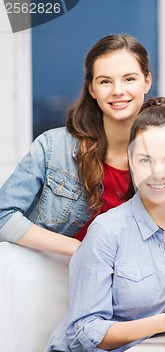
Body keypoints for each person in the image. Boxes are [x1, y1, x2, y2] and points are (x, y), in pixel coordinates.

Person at [46, 97, 165, 352]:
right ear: (130, 160)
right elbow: (85, 331)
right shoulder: (107, 231)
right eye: (145, 160)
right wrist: (161, 323)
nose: (158, 172)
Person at [0, 34, 152, 256]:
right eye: (105, 81)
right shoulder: (53, 147)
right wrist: (84, 250)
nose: (117, 90)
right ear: (92, 89)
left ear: (147, 81)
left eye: (129, 79)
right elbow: (3, 216)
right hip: (54, 280)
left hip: (128, 286)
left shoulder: (163, 155)